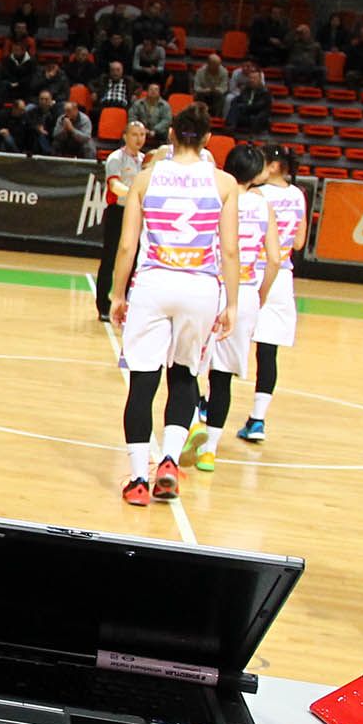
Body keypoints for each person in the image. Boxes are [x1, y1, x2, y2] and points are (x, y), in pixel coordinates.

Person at [108, 105, 240, 505]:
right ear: (207, 140)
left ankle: (137, 480)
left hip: (153, 283)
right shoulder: (224, 182)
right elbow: (230, 251)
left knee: (143, 381)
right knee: (185, 374)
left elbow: (127, 245)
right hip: (199, 287)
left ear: (170, 135)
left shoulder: (145, 178)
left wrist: (117, 294)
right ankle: (168, 460)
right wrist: (232, 304)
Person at [185, 144, 288, 473]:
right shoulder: (263, 205)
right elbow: (275, 259)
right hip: (244, 294)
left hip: (209, 286)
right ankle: (210, 451)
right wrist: (261, 293)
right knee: (223, 376)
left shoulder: (216, 196)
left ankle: (192, 423)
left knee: (188, 366)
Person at [236, 145, 308, 445]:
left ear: (274, 166)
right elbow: (299, 242)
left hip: (254, 272)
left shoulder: (257, 194)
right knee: (268, 352)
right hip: (283, 277)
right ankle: (258, 419)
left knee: (229, 341)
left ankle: (207, 403)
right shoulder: (298, 195)